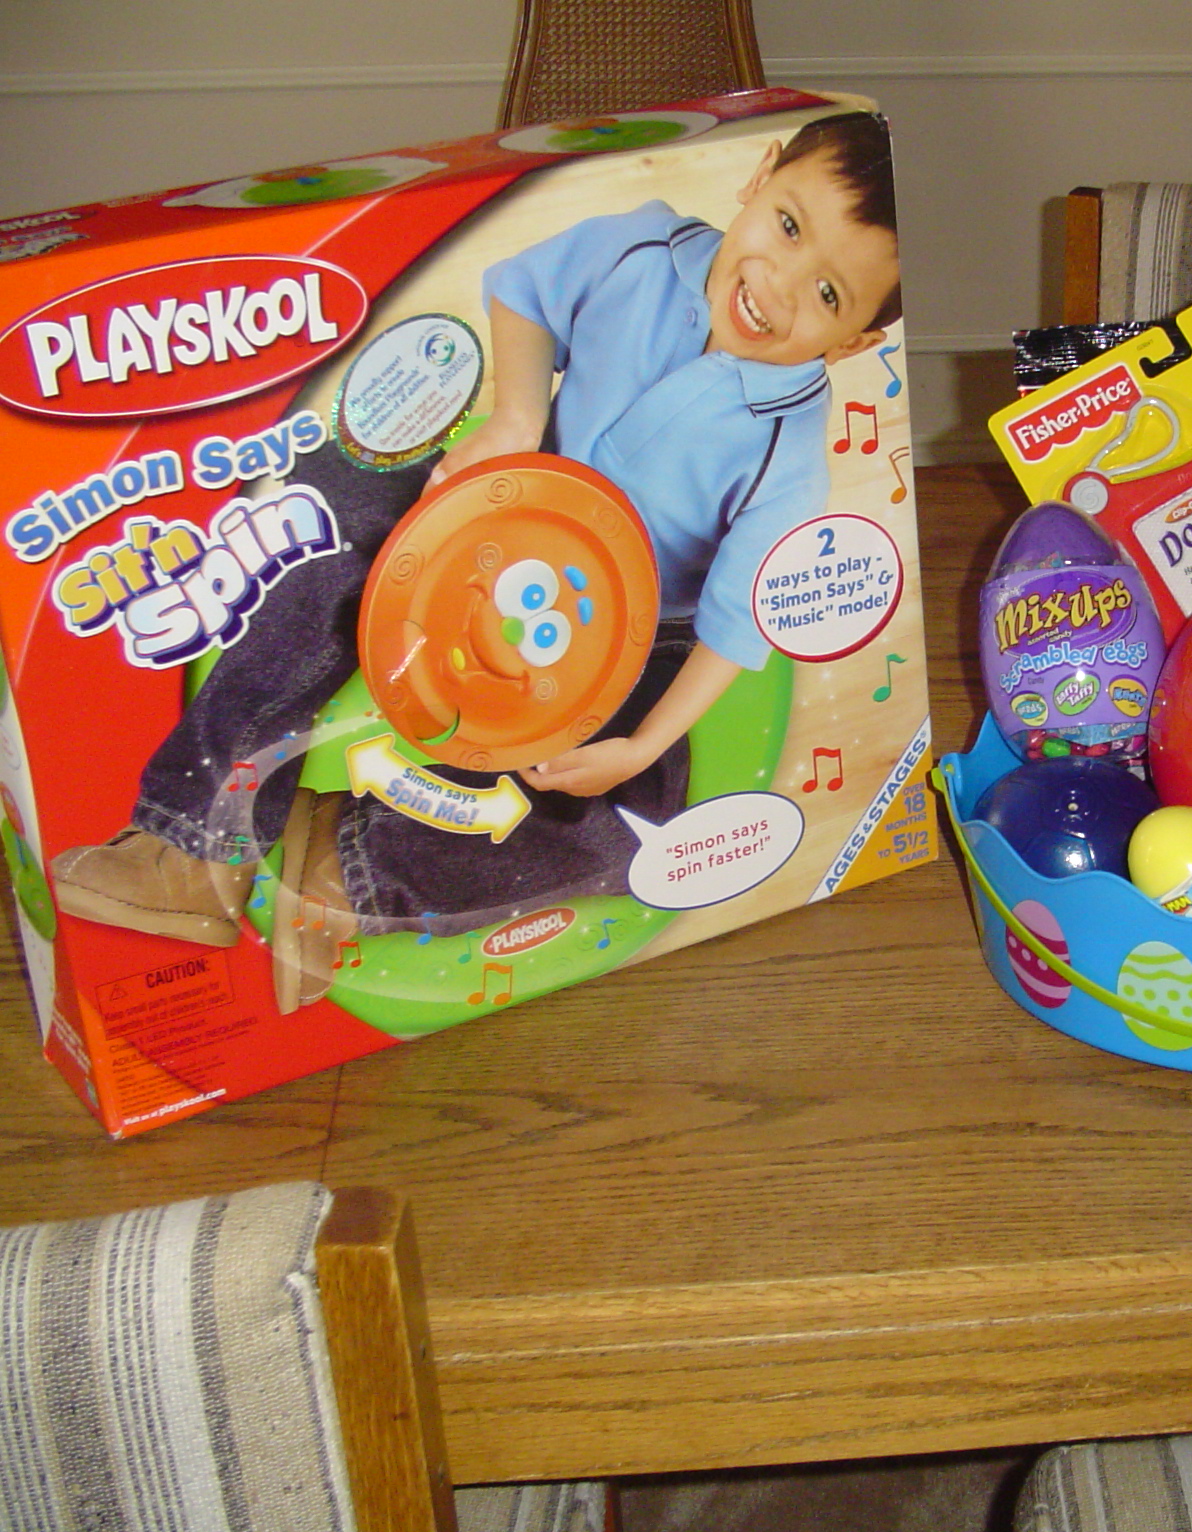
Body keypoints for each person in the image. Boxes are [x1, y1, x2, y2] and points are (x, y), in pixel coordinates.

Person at [52, 111, 901, 1010]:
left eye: (828, 295)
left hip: (629, 632)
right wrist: (517, 417)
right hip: (498, 508)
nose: (778, 284)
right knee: (340, 496)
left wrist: (639, 746)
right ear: (760, 177)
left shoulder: (787, 452)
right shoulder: (644, 246)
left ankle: (344, 866)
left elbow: (737, 624)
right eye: (789, 226)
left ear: (850, 344)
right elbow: (531, 293)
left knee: (639, 819)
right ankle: (196, 841)